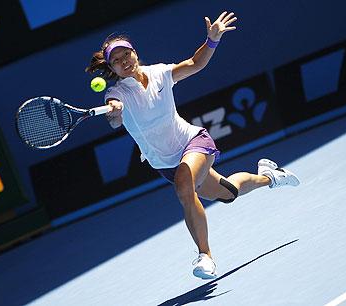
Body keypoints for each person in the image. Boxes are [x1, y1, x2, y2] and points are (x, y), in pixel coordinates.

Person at [86, 11, 300, 280]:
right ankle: (270, 176)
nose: (123, 62)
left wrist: (211, 41)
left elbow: (195, 63)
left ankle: (205, 257)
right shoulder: (116, 94)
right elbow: (115, 119)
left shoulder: (161, 73)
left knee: (185, 187)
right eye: (115, 61)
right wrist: (115, 110)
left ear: (134, 53)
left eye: (125, 55)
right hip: (165, 162)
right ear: (112, 69)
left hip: (192, 142)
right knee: (228, 192)